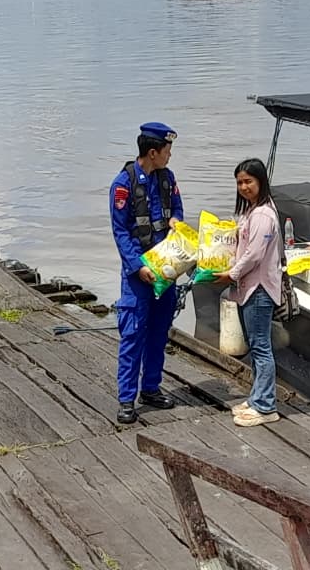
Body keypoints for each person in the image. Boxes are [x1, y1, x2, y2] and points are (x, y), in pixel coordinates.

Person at [110, 122, 184, 424]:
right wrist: (138, 266)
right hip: (138, 274)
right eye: (167, 151)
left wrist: (176, 221)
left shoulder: (167, 179)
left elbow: (177, 208)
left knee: (159, 331)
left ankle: (151, 387)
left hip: (165, 270)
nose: (170, 156)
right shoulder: (123, 184)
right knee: (133, 334)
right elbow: (120, 232)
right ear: (153, 152)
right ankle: (126, 398)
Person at [215, 159, 283, 427]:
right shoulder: (251, 211)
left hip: (259, 289)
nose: (244, 187)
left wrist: (231, 274)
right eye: (239, 182)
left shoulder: (264, 215)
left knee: (261, 347)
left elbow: (254, 254)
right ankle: (257, 397)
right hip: (248, 287)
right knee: (255, 346)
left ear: (260, 181)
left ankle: (266, 406)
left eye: (248, 181)